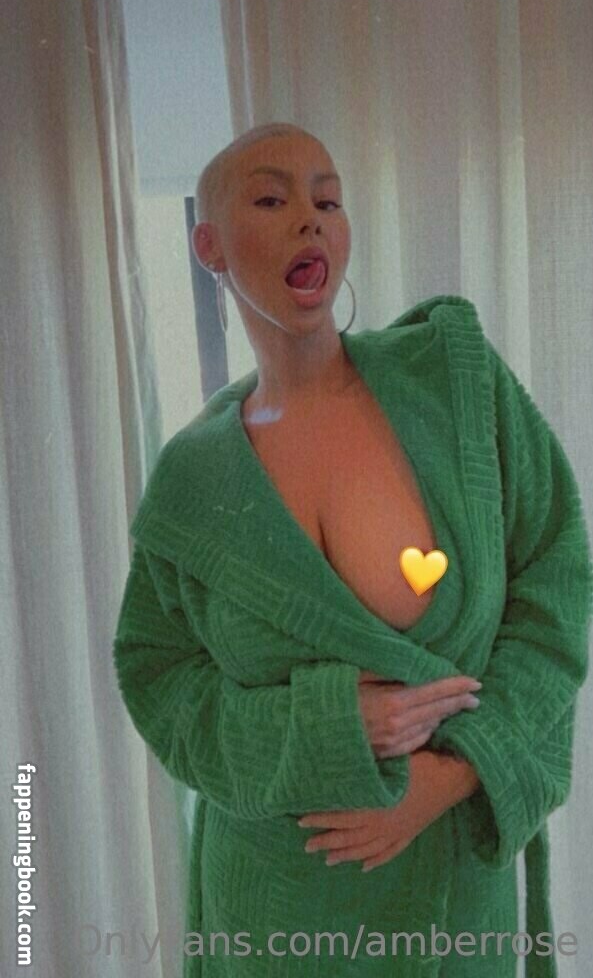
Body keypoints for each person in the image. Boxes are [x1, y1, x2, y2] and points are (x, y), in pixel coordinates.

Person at [113, 122, 593, 978]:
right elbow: (162, 681)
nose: (309, 217)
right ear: (208, 245)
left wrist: (456, 773)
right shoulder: (193, 481)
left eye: (327, 200)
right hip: (274, 912)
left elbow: (555, 580)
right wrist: (332, 726)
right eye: (271, 198)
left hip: (450, 900)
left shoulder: (457, 386)